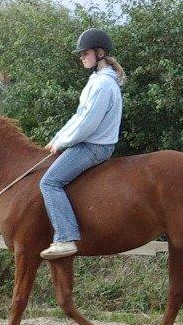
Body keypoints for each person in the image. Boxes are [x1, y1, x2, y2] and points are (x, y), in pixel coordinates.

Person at [39, 28, 125, 260]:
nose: (81, 57)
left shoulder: (103, 85)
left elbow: (87, 125)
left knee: (49, 182)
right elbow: (78, 116)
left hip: (93, 147)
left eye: (84, 53)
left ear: (99, 53)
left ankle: (66, 237)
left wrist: (64, 142)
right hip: (88, 143)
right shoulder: (97, 81)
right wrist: (58, 138)